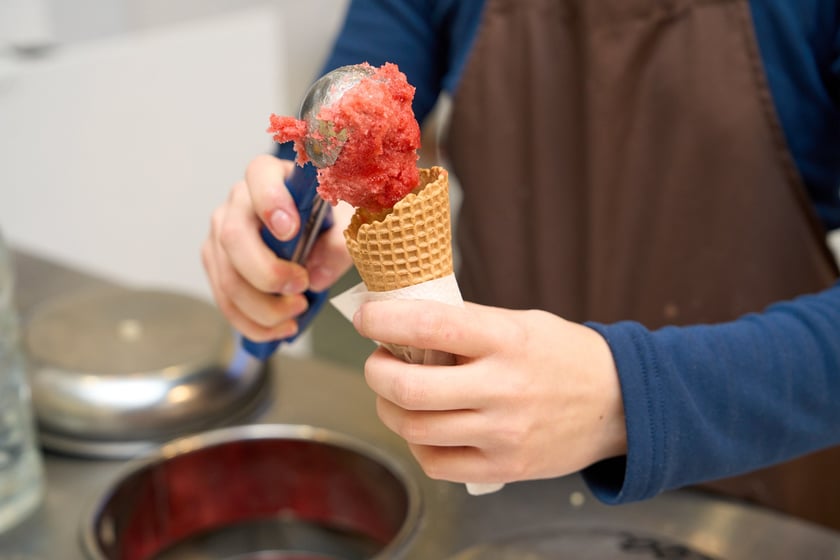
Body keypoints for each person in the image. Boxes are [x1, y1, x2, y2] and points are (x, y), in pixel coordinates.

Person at [202, 0, 840, 529]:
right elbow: (345, 117)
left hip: (758, 488)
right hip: (501, 483)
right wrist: (288, 222)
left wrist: (628, 396)